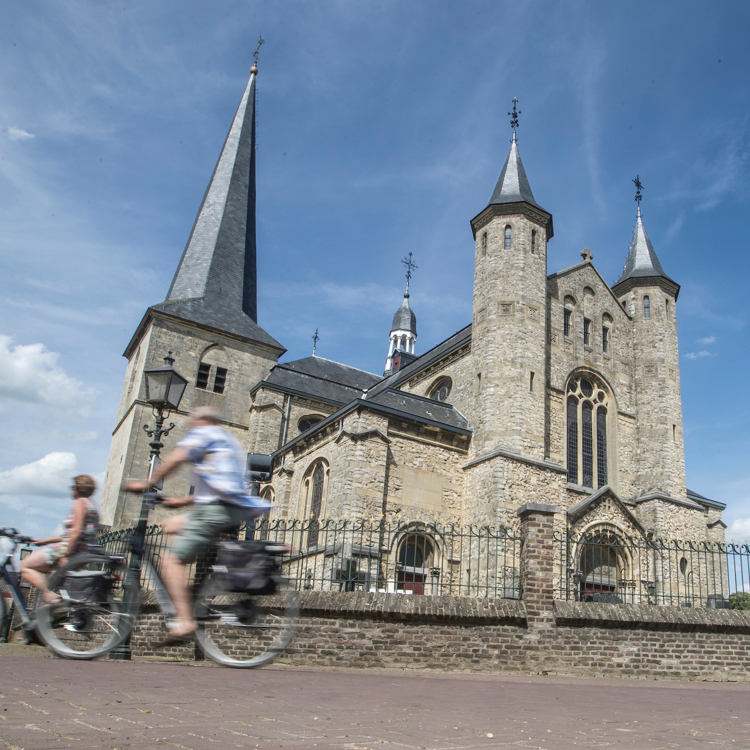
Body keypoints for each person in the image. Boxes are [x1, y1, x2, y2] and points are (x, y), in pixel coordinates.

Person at [125, 406, 270, 644]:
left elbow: (177, 458)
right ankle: (186, 590)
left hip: (218, 509)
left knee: (170, 559)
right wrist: (180, 501)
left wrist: (148, 482)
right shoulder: (228, 440)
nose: (189, 426)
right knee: (170, 526)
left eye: (191, 422)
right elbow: (222, 481)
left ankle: (185, 621)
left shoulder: (205, 433)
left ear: (200, 420)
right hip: (231, 507)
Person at [21, 475, 100, 604]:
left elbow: (76, 531)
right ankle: (56, 612)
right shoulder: (92, 506)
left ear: (77, 489)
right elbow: (75, 533)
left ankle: (48, 594)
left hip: (70, 550)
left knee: (25, 565)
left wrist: (65, 555)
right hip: (84, 552)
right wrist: (46, 541)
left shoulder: (80, 503)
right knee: (54, 588)